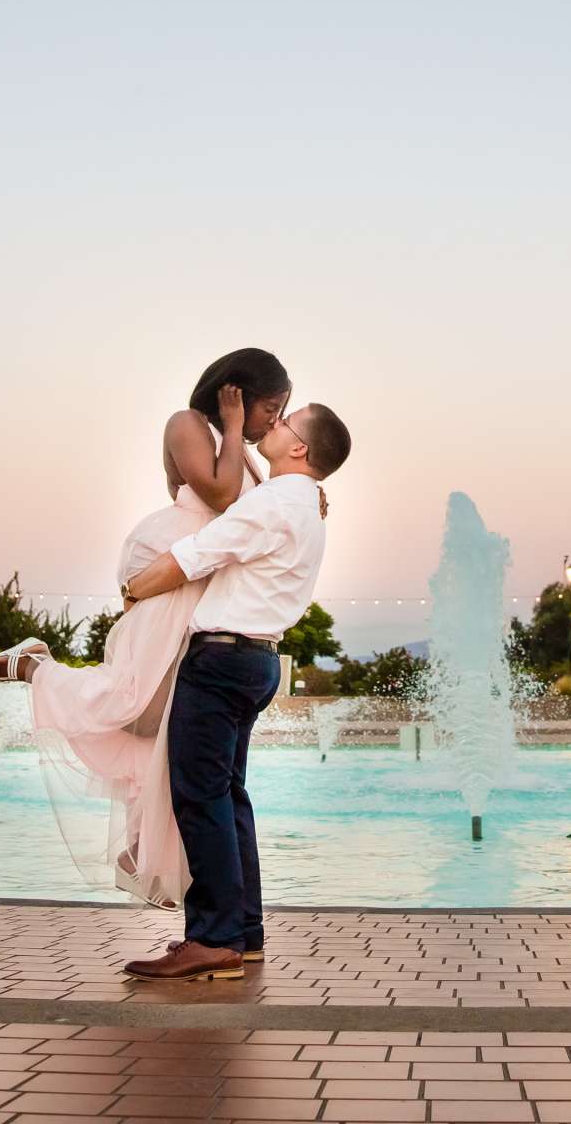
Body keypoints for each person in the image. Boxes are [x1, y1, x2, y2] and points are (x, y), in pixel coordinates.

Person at [0, 349, 291, 911]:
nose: (272, 419)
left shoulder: (248, 454)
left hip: (204, 577)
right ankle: (34, 665)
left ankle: (145, 846)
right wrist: (235, 425)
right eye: (269, 406)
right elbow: (218, 496)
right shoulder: (189, 424)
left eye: (280, 411)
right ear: (233, 393)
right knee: (131, 698)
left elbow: (252, 515)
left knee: (163, 723)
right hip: (175, 563)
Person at [115, 399, 351, 981]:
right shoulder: (302, 504)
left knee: (200, 799)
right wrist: (240, 434)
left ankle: (214, 939)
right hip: (255, 661)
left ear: (300, 448)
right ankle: (243, 934)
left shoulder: (276, 502)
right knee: (228, 799)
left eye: (286, 423)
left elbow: (196, 556)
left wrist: (134, 589)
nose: (274, 424)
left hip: (220, 660)